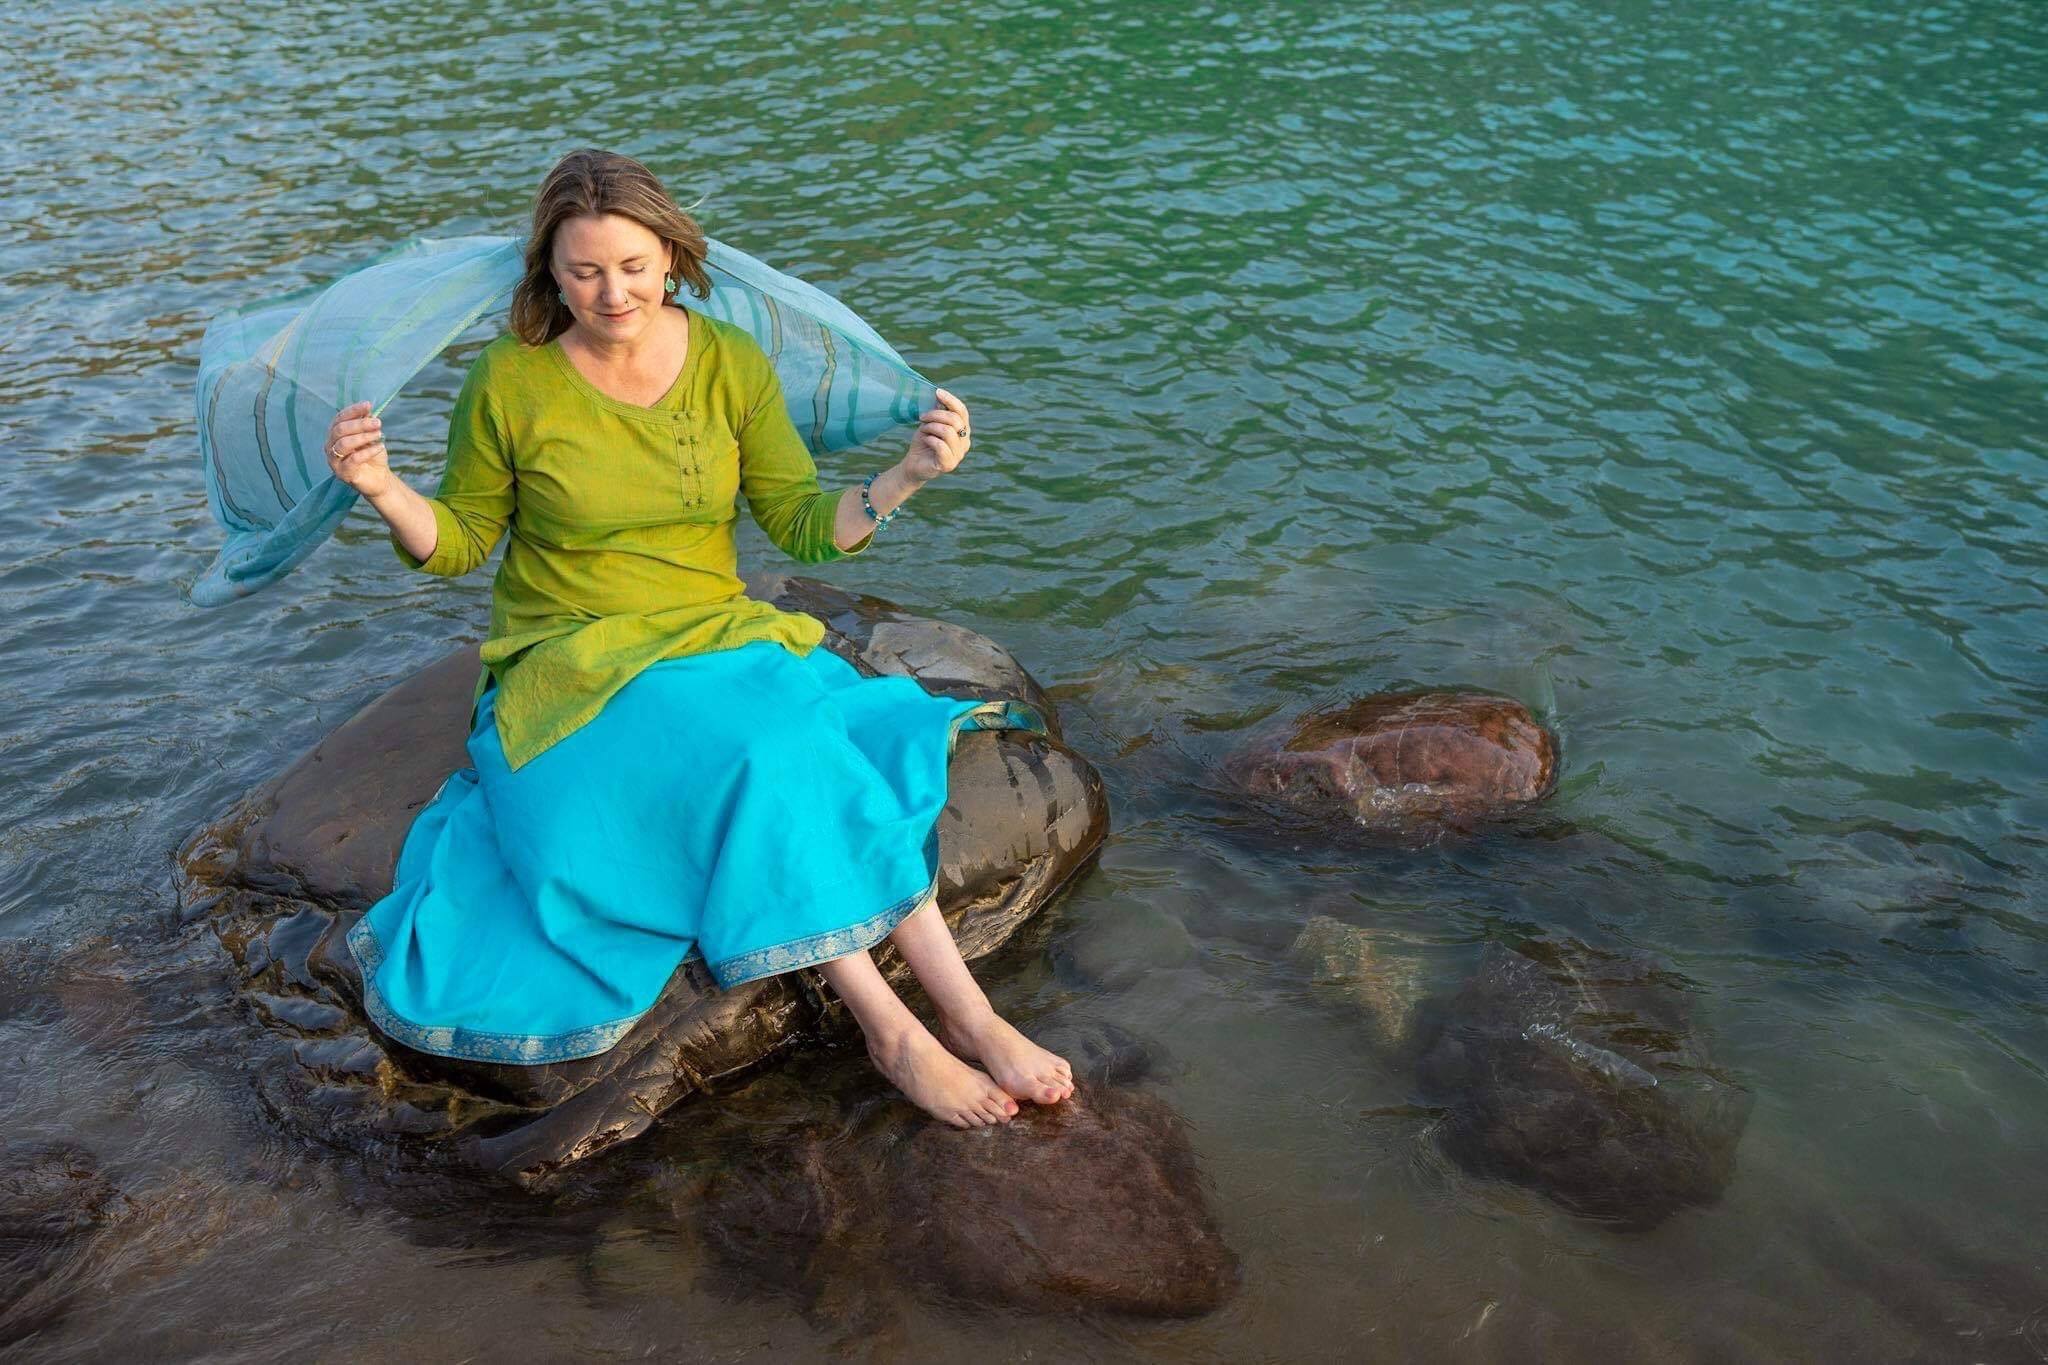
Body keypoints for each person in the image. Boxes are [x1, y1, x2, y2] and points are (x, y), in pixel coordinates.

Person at [321, 148, 1073, 1128]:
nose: (611, 292)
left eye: (632, 266)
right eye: (584, 270)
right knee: (759, 756)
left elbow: (803, 522)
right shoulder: (509, 383)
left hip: (710, 632)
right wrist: (383, 490)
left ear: (671, 257)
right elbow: (459, 542)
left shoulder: (725, 363)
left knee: (807, 745)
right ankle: (892, 1035)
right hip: (568, 661)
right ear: (549, 272)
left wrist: (906, 479)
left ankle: (973, 1017)